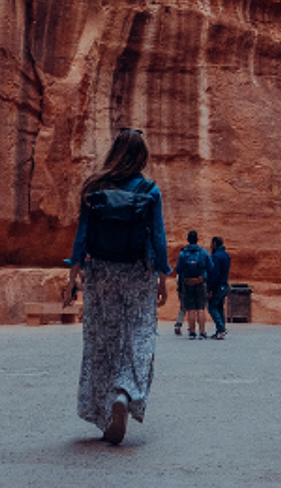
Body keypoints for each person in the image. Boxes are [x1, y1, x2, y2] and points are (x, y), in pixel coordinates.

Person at [67, 129, 171, 445]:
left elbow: (81, 234)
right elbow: (158, 238)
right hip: (138, 273)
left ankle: (103, 409)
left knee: (103, 341)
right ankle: (124, 393)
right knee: (138, 336)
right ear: (142, 157)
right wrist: (163, 277)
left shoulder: (95, 187)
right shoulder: (149, 189)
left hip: (100, 272)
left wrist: (73, 275)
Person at [175, 231, 212, 339]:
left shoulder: (183, 253)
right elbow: (210, 267)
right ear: (197, 239)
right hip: (200, 282)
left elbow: (178, 269)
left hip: (187, 283)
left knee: (190, 309)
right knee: (200, 308)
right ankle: (202, 332)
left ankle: (192, 332)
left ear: (188, 239)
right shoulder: (203, 252)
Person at [207, 236, 232, 339]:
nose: (210, 246)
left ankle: (221, 329)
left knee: (212, 307)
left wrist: (210, 288)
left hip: (217, 286)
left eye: (211, 243)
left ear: (214, 244)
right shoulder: (226, 255)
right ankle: (220, 331)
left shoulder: (216, 256)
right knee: (220, 307)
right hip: (224, 284)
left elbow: (215, 273)